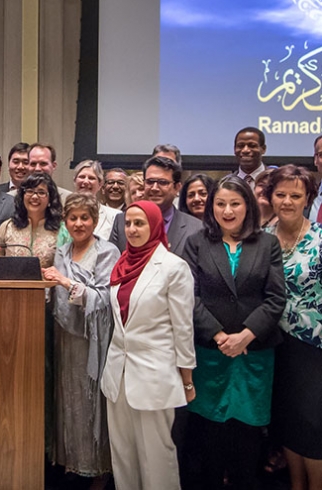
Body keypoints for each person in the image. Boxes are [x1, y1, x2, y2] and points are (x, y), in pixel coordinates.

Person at [181, 175, 285, 490]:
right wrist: (219, 335)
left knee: (248, 435)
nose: (228, 210)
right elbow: (189, 297)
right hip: (211, 354)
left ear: (247, 206)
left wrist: (245, 335)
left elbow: (276, 297)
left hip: (254, 354)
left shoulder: (268, 243)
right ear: (212, 207)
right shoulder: (197, 242)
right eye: (221, 203)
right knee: (210, 435)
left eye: (235, 203)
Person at [101, 201, 196, 490]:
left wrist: (187, 380)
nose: (132, 229)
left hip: (155, 375)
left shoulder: (173, 267)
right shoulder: (121, 264)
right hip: (118, 374)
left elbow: (183, 328)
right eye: (128, 223)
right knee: (123, 456)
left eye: (139, 223)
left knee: (156, 457)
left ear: (155, 226)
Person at [41, 192, 119, 488]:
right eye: (72, 218)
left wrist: (66, 282)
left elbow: (104, 297)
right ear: (65, 221)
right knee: (67, 400)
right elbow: (55, 293)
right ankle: (71, 462)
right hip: (63, 336)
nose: (78, 223)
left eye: (84, 218)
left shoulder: (107, 252)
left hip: (92, 339)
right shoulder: (62, 251)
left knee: (90, 403)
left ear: (95, 221)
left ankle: (97, 469)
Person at [265, 165, 322, 490]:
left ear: (307, 199)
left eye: (295, 195)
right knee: (286, 420)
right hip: (272, 343)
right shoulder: (260, 238)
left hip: (313, 346)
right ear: (271, 197)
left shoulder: (320, 238)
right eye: (281, 194)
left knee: (312, 424)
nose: (287, 201)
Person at [109, 156, 201, 255]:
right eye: (150, 182)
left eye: (162, 182)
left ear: (177, 187)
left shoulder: (196, 228)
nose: (154, 188)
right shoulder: (122, 222)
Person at [0, 172, 61, 265]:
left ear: (50, 199)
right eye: (30, 191)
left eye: (41, 192)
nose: (35, 196)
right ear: (22, 196)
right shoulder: (7, 227)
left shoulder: (61, 230)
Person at [72, 160, 121, 240]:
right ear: (75, 180)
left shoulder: (115, 216)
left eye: (91, 178)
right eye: (82, 177)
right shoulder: (62, 214)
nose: (86, 181)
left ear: (100, 184)